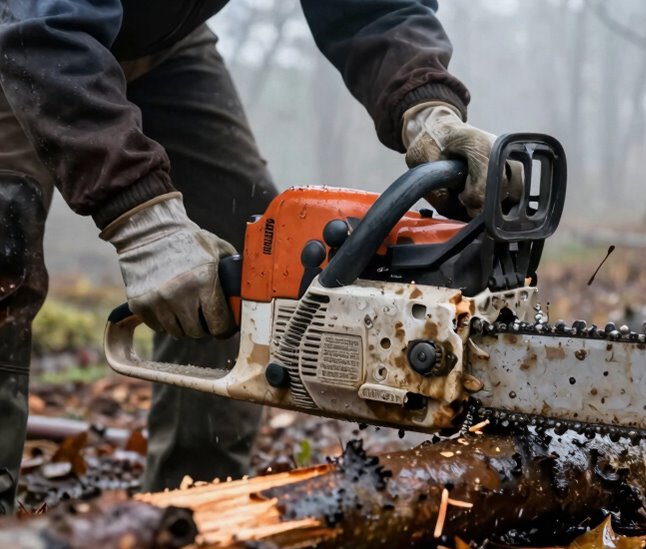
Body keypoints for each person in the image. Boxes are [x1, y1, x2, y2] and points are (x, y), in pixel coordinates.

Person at [0, 0, 517, 514]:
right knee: (6, 255)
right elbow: (42, 29)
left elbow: (375, 7)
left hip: (161, 47)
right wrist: (143, 221)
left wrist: (426, 107)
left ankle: (187, 516)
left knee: (256, 252)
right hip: (26, 33)